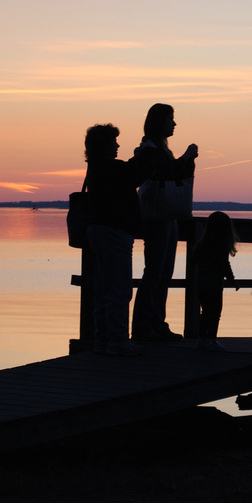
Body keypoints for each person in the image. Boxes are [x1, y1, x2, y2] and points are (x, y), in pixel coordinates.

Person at [84, 123, 153, 356]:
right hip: (114, 232)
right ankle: (118, 342)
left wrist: (137, 158)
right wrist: (145, 153)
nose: (117, 145)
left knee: (104, 288)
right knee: (120, 289)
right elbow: (137, 173)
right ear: (104, 145)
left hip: (98, 231)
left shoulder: (96, 168)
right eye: (113, 141)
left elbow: (130, 172)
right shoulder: (108, 168)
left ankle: (102, 340)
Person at [131, 103, 198, 341]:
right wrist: (188, 156)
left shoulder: (156, 148)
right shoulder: (150, 149)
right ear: (161, 122)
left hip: (165, 217)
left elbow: (170, 170)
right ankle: (144, 326)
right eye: (171, 119)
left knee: (163, 272)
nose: (174, 124)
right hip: (158, 218)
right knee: (155, 273)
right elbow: (170, 171)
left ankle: (156, 323)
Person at [190, 212, 239, 351]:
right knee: (215, 312)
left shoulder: (202, 244)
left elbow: (192, 261)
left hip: (201, 284)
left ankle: (202, 339)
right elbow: (225, 265)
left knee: (205, 312)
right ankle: (211, 340)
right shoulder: (221, 245)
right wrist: (233, 281)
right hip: (215, 285)